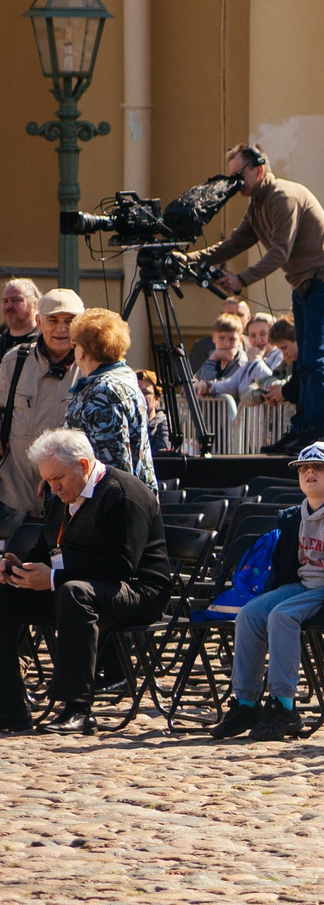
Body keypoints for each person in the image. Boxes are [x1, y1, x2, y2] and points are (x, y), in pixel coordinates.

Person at [0, 428, 172, 734]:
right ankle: (10, 707)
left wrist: (52, 578)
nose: (53, 488)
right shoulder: (58, 498)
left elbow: (120, 566)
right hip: (77, 588)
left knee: (73, 593)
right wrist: (19, 569)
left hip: (139, 592)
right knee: (5, 594)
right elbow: (45, 551)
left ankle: (77, 708)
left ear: (82, 465)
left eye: (58, 479)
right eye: (48, 480)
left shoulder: (124, 493)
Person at [208, 442, 324, 742]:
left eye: (320, 468)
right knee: (249, 614)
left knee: (282, 617)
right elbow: (286, 567)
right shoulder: (294, 516)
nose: (309, 471)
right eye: (304, 468)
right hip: (301, 587)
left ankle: (283, 706)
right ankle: (246, 702)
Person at [201, 143, 324, 455]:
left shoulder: (283, 197)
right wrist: (189, 259)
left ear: (259, 170)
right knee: (305, 358)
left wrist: (241, 279)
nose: (235, 184)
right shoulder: (257, 207)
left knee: (314, 357)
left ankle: (312, 434)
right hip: (304, 284)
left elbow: (280, 250)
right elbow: (232, 244)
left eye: (239, 175)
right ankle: (300, 431)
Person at [2, 291, 84, 518]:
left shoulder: (91, 366)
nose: (61, 328)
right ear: (38, 322)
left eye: (70, 320)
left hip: (70, 505)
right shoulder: (13, 361)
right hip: (14, 499)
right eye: (53, 320)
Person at [63, 310, 157, 492]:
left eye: (75, 344)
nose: (73, 351)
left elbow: (111, 464)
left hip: (108, 507)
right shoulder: (124, 381)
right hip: (126, 499)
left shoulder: (104, 391)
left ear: (84, 351)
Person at [0, 278, 38, 354]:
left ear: (34, 303)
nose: (9, 306)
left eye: (16, 300)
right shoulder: (1, 343)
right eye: (5, 301)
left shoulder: (44, 344)